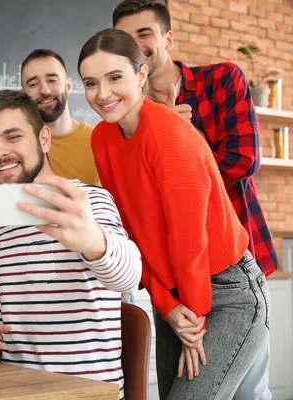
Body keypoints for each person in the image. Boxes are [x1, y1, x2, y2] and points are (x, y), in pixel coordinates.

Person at [78, 28, 270, 400]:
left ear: (141, 74)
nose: (102, 94)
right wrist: (168, 306)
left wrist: (193, 320)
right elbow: (128, 234)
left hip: (227, 292)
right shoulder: (102, 138)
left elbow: (190, 242)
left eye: (115, 78)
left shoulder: (170, 135)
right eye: (91, 83)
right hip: (174, 294)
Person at [0, 90, 142, 399]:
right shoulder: (3, 223)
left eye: (12, 136)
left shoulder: (88, 201)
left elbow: (129, 277)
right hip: (16, 392)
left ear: (44, 139)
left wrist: (94, 242)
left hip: (87, 394)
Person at [20, 49, 100, 185]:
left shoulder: (99, 140)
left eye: (52, 80)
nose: (44, 90)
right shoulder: (18, 146)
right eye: (33, 84)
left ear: (68, 86)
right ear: (23, 95)